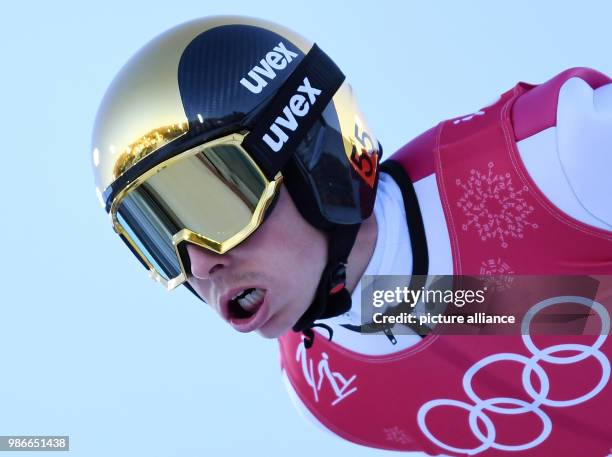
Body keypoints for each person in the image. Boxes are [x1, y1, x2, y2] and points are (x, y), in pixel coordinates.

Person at [91, 16, 612, 456]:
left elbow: (507, 304)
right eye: (160, 239)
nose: (201, 266)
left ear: (310, 159)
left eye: (215, 207)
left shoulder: (559, 155)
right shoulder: (322, 394)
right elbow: (489, 305)